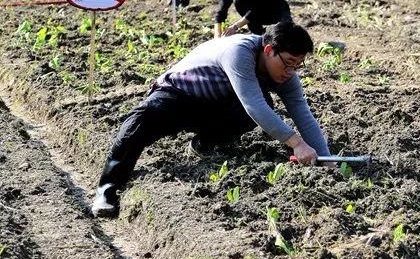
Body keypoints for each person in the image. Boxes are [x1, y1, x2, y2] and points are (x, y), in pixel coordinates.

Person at [90, 21, 332, 217]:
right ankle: (108, 188)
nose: (291, 72)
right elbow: (253, 105)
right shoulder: (239, 52)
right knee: (140, 121)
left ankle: (204, 144)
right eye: (289, 63)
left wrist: (326, 159)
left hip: (214, 106)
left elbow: (302, 113)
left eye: (298, 66)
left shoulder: (286, 74)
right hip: (178, 96)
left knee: (262, 107)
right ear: (269, 51)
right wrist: (298, 144)